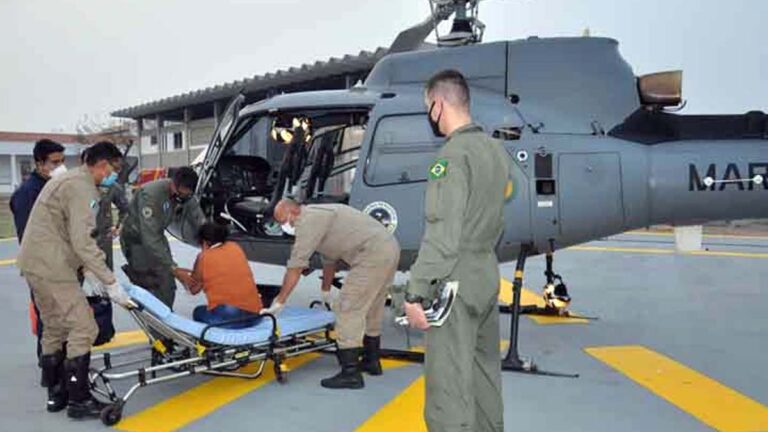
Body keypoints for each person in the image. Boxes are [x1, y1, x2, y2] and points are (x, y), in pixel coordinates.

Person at [403, 70, 511, 432]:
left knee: (448, 386)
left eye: (427, 108)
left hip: (455, 279)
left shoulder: (450, 157)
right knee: (484, 377)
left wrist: (415, 291)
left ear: (438, 104)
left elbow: (442, 233)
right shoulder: (495, 151)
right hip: (485, 274)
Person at [16, 141, 135, 419]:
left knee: (55, 327)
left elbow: (68, 233)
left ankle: (56, 394)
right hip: (53, 266)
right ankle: (79, 400)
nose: (114, 176)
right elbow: (83, 242)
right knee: (84, 327)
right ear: (103, 165)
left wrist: (89, 272)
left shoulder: (69, 180)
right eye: (114, 170)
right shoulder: (82, 188)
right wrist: (109, 281)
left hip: (35, 264)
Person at [266, 199, 400, 389]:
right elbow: (330, 260)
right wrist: (325, 291)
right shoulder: (319, 215)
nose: (283, 226)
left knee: (347, 309)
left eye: (282, 221)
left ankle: (350, 373)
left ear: (293, 212)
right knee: (372, 307)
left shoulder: (307, 221)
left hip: (371, 254)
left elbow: (296, 266)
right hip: (388, 248)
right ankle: (371, 361)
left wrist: (280, 301)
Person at [9, 138, 66, 385]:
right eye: (55, 162)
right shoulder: (27, 194)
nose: (60, 167)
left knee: (60, 318)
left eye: (62, 161)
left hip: (59, 265)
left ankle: (58, 364)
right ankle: (50, 373)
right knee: (48, 321)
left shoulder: (54, 186)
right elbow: (29, 238)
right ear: (39, 163)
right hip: (42, 267)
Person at [119, 167, 204, 308]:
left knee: (167, 284)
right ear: (173, 184)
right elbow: (149, 238)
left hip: (157, 236)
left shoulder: (186, 196)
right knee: (149, 283)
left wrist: (211, 244)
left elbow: (198, 219)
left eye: (186, 196)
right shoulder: (151, 195)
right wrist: (174, 269)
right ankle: (153, 323)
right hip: (137, 241)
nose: (181, 199)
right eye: (180, 195)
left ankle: (165, 315)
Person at [183, 222, 263, 328]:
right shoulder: (235, 247)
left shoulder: (204, 256)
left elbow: (194, 289)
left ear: (205, 242)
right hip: (255, 316)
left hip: (230, 318)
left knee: (198, 312)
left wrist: (180, 274)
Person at [81, 147, 130, 270]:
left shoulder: (112, 187)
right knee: (75, 281)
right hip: (79, 240)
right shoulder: (74, 185)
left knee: (106, 280)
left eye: (117, 169)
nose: (114, 173)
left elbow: (126, 209)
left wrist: (119, 226)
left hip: (103, 239)